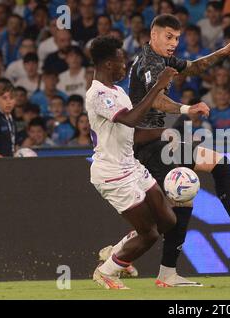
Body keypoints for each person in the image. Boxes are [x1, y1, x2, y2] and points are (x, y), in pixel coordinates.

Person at [106, 14, 230, 288]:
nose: (174, 42)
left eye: (177, 38)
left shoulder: (161, 58)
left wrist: (224, 52)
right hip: (149, 145)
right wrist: (187, 108)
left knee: (184, 196)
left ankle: (150, 265)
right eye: (168, 37)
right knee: (187, 193)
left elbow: (192, 67)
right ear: (153, 35)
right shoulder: (148, 62)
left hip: (160, 142)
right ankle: (137, 261)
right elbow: (157, 99)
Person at [87, 35, 178, 290]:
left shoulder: (118, 92)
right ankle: (107, 272)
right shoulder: (98, 94)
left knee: (168, 221)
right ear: (107, 64)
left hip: (131, 166)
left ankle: (116, 251)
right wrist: (157, 86)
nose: (124, 65)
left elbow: (131, 131)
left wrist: (165, 132)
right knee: (149, 234)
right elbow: (129, 119)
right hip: (112, 173)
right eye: (121, 60)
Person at [0, 82, 17, 158]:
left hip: (10, 165)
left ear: (15, 101)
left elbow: (14, 146)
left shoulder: (13, 121)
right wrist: (5, 163)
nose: (8, 102)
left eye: (11, 98)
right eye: (4, 98)